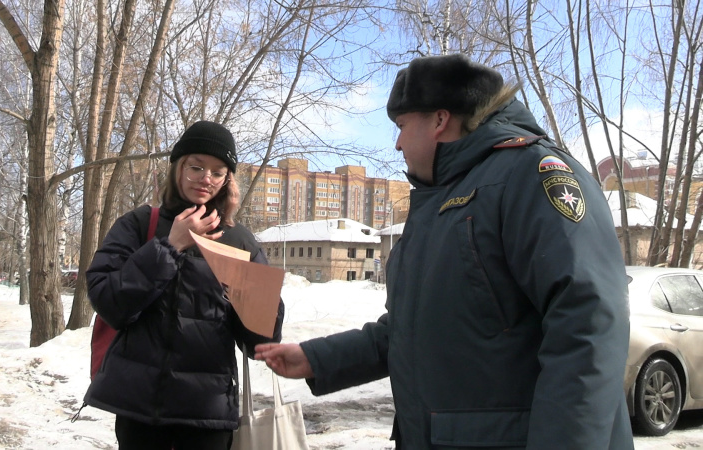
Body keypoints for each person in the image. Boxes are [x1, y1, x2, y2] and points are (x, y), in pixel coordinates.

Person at [256, 54, 633, 449]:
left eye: (402, 126)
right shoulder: (441, 202)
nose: (397, 142)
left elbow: (588, 328)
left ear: (439, 120)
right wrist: (318, 358)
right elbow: (410, 330)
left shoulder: (529, 176)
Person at [83, 120, 284, 450]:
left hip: (207, 415)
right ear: (178, 168)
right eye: (196, 167)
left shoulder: (239, 240)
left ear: (227, 180)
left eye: (218, 171)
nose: (206, 178)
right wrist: (169, 246)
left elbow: (261, 339)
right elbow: (107, 300)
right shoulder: (138, 225)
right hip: (141, 412)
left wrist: (249, 295)